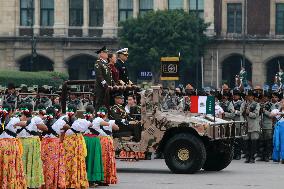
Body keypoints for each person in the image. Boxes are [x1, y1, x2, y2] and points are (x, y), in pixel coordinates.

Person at [16, 103, 47, 188]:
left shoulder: (15, 119)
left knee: (20, 163)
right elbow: (45, 128)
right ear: (31, 110)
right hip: (32, 143)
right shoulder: (36, 119)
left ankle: (19, 182)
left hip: (19, 143)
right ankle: (30, 183)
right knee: (31, 163)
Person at [0, 104, 28, 188]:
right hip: (10, 145)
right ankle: (9, 184)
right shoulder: (13, 120)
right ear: (11, 112)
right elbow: (25, 123)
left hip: (0, 144)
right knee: (10, 165)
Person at [41, 106, 68, 189]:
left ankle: (44, 183)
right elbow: (63, 132)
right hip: (55, 144)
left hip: (44, 144)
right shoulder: (59, 122)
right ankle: (53, 183)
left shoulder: (42, 122)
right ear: (55, 113)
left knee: (44, 163)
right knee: (54, 164)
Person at [63, 118, 90, 188]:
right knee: (77, 161)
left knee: (67, 162)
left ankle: (66, 181)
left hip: (67, 143)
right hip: (77, 144)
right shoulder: (80, 122)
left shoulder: (62, 121)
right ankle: (77, 181)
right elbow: (90, 124)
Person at [95, 107, 119, 185]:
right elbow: (117, 128)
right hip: (107, 141)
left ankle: (99, 177)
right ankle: (106, 178)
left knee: (99, 159)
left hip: (98, 140)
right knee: (107, 159)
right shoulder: (110, 121)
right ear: (107, 114)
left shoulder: (96, 121)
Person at [83, 105, 105, 187]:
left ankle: (85, 178)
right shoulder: (96, 120)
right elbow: (107, 124)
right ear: (93, 112)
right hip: (94, 140)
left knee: (86, 159)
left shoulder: (82, 120)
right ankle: (93, 179)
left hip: (85, 139)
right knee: (93, 159)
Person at [243, 91, 261, 163]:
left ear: (253, 97)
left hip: (254, 125)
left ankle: (252, 157)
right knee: (246, 142)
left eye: (250, 96)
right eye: (248, 95)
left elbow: (256, 115)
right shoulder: (245, 104)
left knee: (253, 142)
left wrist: (248, 113)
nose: (248, 97)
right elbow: (241, 112)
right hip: (246, 125)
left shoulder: (257, 104)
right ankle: (247, 157)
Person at [94, 46, 112, 110]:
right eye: (105, 52)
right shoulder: (98, 63)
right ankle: (97, 118)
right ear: (101, 53)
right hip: (100, 88)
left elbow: (109, 76)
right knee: (99, 103)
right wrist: (105, 85)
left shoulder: (105, 63)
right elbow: (99, 76)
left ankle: (104, 117)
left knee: (106, 103)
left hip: (106, 88)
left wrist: (113, 84)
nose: (107, 54)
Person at [260, 92, 273, 162]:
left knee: (268, 142)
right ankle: (262, 155)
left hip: (268, 125)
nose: (264, 98)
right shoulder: (261, 105)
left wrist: (264, 111)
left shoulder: (271, 105)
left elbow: (272, 115)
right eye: (264, 97)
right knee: (262, 141)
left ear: (268, 98)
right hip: (261, 125)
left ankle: (267, 156)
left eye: (266, 97)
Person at [232, 89, 244, 160]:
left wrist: (235, 111)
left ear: (239, 96)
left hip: (238, 121)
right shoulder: (231, 102)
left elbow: (241, 112)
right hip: (231, 121)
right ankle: (233, 154)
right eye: (234, 95)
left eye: (236, 95)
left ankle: (238, 154)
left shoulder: (242, 103)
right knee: (232, 139)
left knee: (238, 139)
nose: (235, 96)